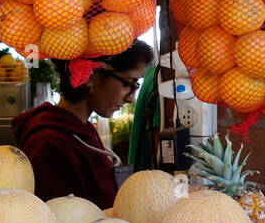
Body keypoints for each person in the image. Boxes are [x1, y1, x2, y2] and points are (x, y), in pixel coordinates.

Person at [10, 40, 156, 209]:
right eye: (128, 84)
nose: (131, 98)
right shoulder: (49, 145)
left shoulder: (81, 131)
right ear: (91, 76)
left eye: (136, 86)